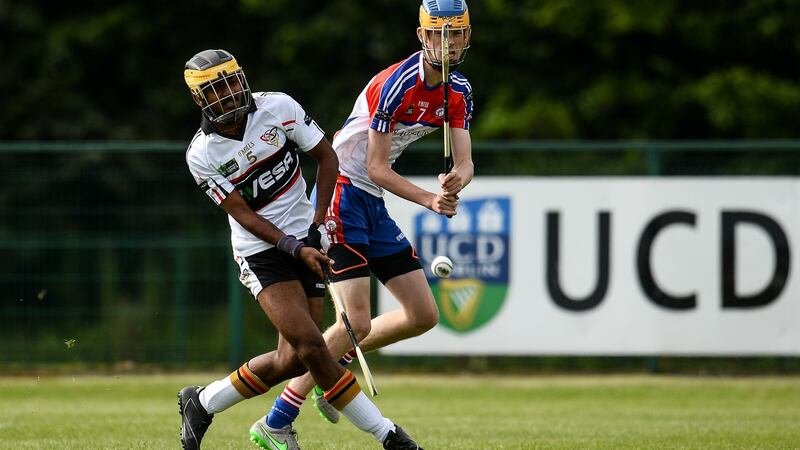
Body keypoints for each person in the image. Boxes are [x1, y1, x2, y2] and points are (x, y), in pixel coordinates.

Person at [177, 49, 422, 450]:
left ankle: (202, 402)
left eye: (232, 80)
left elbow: (327, 158)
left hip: (307, 239)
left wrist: (319, 224)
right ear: (198, 98)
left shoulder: (278, 107)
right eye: (216, 88)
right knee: (313, 347)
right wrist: (292, 246)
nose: (229, 92)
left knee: (291, 360)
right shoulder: (201, 154)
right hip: (261, 252)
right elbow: (242, 214)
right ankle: (390, 436)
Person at [264, 0, 474, 428]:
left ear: (467, 37)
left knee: (422, 315)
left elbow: (466, 161)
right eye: (439, 33)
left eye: (456, 33)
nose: (447, 43)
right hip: (343, 192)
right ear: (422, 36)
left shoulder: (460, 91)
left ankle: (332, 368)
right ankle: (277, 419)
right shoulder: (396, 84)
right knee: (356, 322)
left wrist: (457, 180)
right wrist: (429, 200)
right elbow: (376, 166)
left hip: (371, 199)